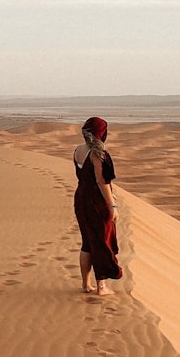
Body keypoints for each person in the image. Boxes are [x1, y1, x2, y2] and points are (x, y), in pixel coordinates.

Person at [73, 116, 122, 295]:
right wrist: (113, 206)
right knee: (102, 241)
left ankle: (86, 285)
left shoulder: (78, 150)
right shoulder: (97, 153)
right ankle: (101, 287)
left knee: (87, 242)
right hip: (96, 201)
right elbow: (101, 182)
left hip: (81, 198)